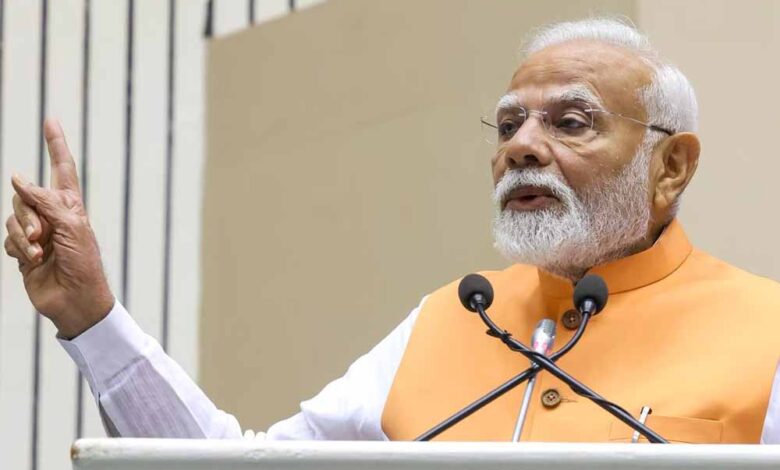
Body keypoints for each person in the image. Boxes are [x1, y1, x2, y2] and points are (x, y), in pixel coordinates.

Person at [5, 17, 780, 444]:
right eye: (509, 123)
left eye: (570, 121)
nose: (522, 146)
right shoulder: (450, 320)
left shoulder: (765, 335)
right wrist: (93, 318)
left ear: (670, 166)